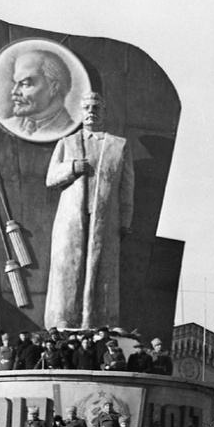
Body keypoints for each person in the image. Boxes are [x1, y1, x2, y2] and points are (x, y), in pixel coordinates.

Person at [44, 91, 134, 329]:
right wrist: (73, 167)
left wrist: (125, 220)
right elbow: (51, 177)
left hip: (106, 216)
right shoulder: (67, 143)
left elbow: (127, 187)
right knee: (68, 267)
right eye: (87, 107)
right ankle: (63, 319)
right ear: (80, 112)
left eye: (96, 107)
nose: (91, 111)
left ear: (104, 113)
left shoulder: (119, 145)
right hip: (72, 216)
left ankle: (104, 321)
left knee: (104, 269)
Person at [2, 49, 75, 140]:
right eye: (16, 83)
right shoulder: (10, 125)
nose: (14, 91)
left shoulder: (69, 130)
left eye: (25, 84)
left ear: (54, 88)